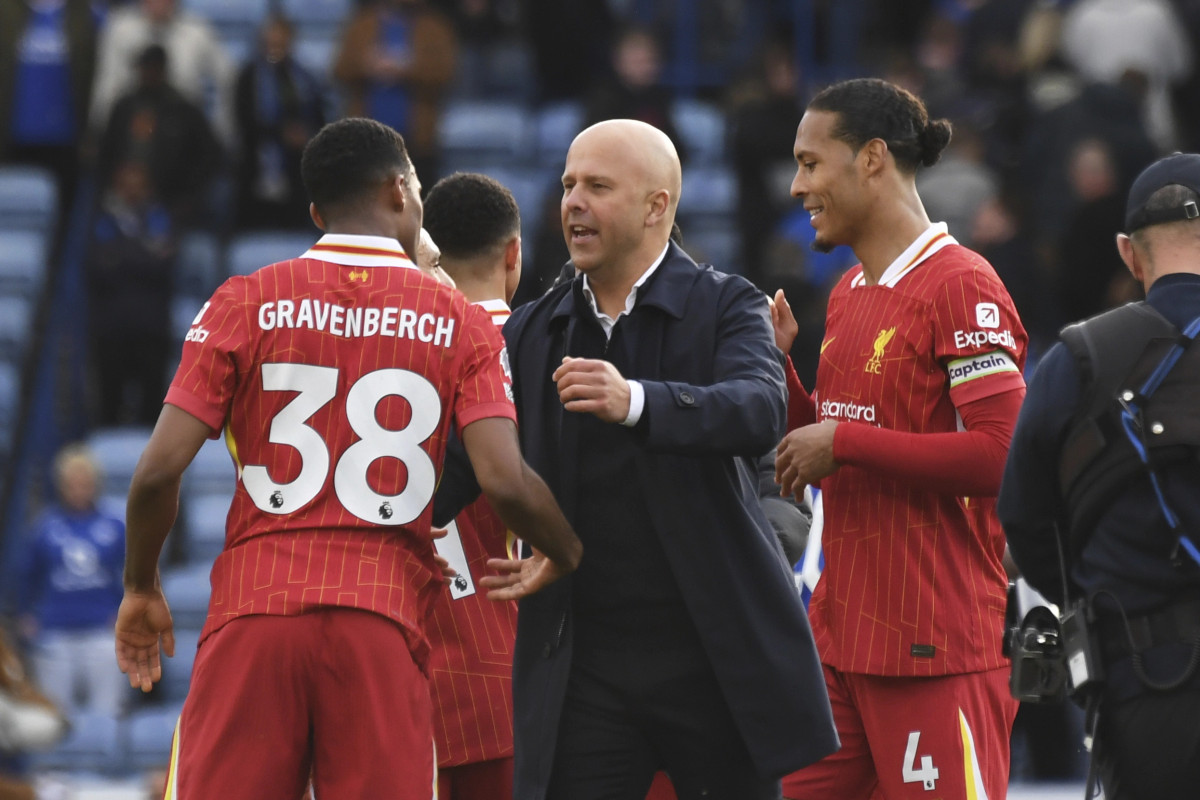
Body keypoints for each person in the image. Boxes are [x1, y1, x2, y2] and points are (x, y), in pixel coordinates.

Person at [112, 117, 582, 800]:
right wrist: (564, 552)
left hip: (255, 609)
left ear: (316, 213)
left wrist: (140, 585)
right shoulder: (460, 322)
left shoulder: (244, 298)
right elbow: (505, 481)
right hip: (381, 617)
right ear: (400, 191)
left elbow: (156, 472)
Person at [482, 118, 838, 800]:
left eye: (598, 186)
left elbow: (759, 409)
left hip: (713, 653)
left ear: (656, 206)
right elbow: (472, 456)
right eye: (568, 185)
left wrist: (638, 401)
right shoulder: (533, 326)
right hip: (583, 658)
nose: (573, 202)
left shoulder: (728, 302)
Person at [772, 78, 1026, 800]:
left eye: (811, 163)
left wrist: (844, 442)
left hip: (934, 649)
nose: (796, 186)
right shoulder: (848, 291)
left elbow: (1001, 455)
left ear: (872, 158)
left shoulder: (962, 285)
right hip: (840, 644)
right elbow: (833, 445)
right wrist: (784, 376)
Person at [999, 152, 1200, 799]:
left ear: (1128, 254)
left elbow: (1027, 522)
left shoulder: (1078, 358)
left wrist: (1089, 591)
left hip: (1146, 683)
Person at [421, 171, 522, 800]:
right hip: (506, 681)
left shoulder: (391, 355)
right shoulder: (555, 355)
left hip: (396, 678)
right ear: (514, 254)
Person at [13, 445, 126, 717]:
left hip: (102, 630)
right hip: (55, 631)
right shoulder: (45, 527)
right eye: (72, 484)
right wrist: (25, 615)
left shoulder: (115, 525)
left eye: (84, 483)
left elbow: (133, 575)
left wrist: (122, 612)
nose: (78, 490)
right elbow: (27, 575)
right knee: (54, 716)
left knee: (107, 713)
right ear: (61, 486)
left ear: (96, 484)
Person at [333, 0, 457, 183]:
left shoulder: (434, 27)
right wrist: (366, 66)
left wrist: (406, 68)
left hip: (417, 143)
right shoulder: (361, 24)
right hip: (366, 143)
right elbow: (339, 70)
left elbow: (446, 73)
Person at [233, 14, 326, 231]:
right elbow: (244, 122)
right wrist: (279, 133)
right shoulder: (249, 77)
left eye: (281, 42)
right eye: (271, 42)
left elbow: (319, 120)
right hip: (256, 169)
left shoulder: (304, 79)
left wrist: (305, 135)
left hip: (296, 170)